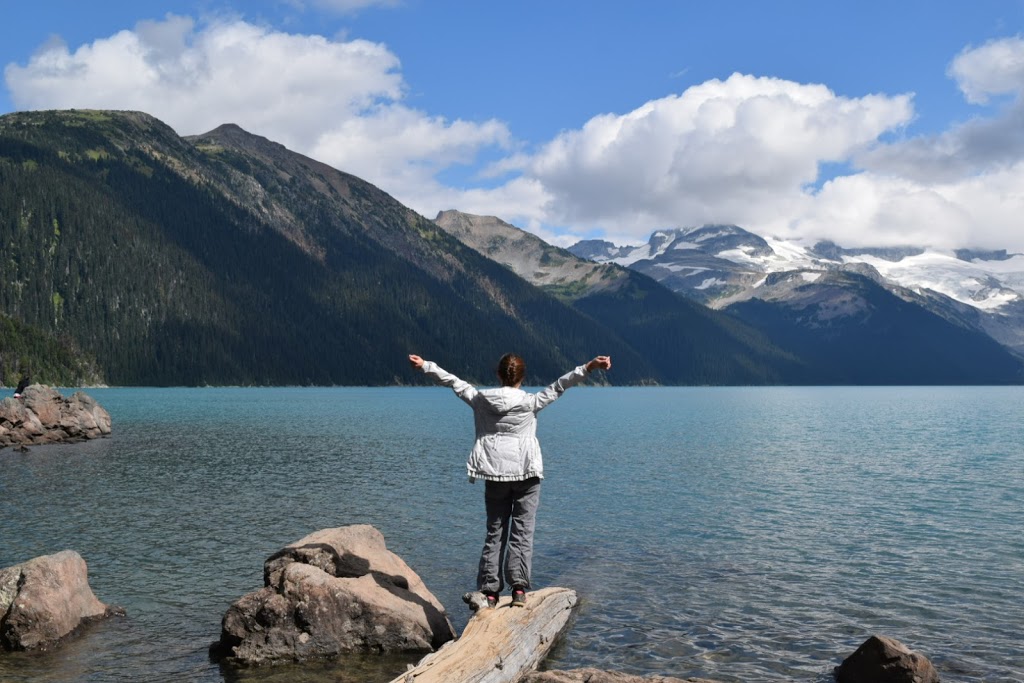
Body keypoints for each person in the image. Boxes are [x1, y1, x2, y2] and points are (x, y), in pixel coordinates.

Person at [408, 352, 611, 609]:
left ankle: (490, 593)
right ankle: (518, 591)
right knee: (522, 533)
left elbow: (453, 382)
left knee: (495, 532)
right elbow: (562, 384)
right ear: (522, 377)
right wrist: (590, 366)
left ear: (498, 374)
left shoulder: (481, 399)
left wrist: (426, 365)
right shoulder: (531, 401)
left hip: (495, 473)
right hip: (527, 472)